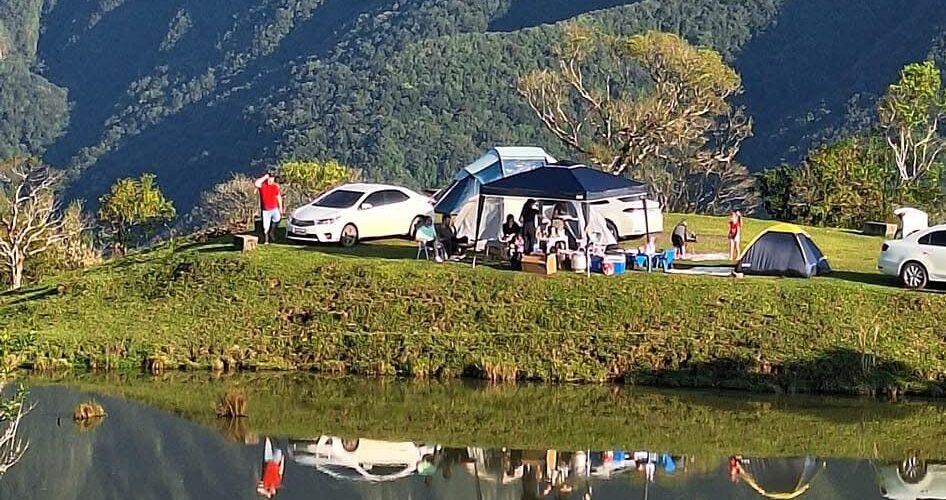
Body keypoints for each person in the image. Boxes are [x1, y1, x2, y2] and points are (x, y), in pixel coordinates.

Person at [254, 173, 284, 244]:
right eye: (269, 179)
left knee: (277, 219)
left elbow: (278, 196)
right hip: (265, 210)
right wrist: (264, 177)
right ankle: (266, 240)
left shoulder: (275, 186)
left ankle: (272, 232)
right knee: (265, 227)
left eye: (272, 179)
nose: (270, 180)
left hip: (274, 208)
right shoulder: (263, 186)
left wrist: (280, 207)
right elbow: (256, 183)